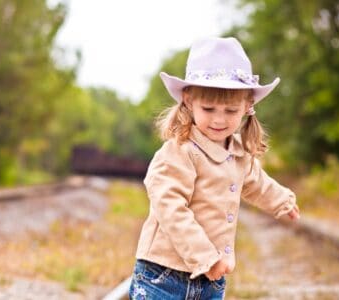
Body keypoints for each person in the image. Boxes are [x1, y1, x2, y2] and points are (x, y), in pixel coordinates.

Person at [128, 37, 300, 299]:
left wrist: (282, 200)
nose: (219, 120)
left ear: (247, 106)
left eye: (230, 111)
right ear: (188, 100)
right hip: (163, 275)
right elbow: (170, 207)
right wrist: (206, 257)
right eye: (208, 109)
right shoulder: (180, 152)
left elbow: (255, 181)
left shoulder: (239, 152)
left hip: (212, 279)